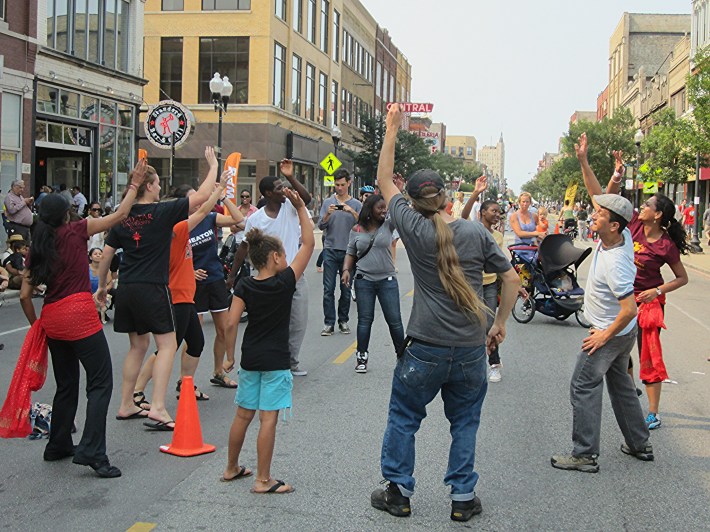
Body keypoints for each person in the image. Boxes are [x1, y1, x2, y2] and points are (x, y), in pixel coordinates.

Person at [370, 104, 520, 522]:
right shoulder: (475, 231)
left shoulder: (411, 226)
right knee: (465, 423)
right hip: (471, 347)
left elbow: (384, 179)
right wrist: (500, 324)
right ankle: (462, 498)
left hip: (425, 349)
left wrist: (392, 128)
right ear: (449, 197)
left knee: (404, 418)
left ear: (413, 201)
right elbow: (511, 280)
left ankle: (398, 493)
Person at [8, 164, 145, 477]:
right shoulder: (76, 230)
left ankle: (57, 444)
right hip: (78, 313)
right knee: (100, 383)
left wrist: (37, 326)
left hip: (52, 317)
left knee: (66, 383)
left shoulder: (38, 244)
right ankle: (92, 451)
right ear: (66, 215)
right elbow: (119, 215)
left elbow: (25, 296)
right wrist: (134, 184)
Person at [549, 133, 653, 474]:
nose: (593, 216)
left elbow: (628, 310)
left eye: (598, 215)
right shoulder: (619, 234)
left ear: (614, 224)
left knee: (583, 383)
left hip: (612, 330)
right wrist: (583, 161)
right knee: (622, 386)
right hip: (621, 335)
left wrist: (601, 337)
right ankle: (639, 443)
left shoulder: (617, 262)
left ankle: (585, 454)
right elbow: (598, 194)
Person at [95, 147, 219, 431]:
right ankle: (159, 407)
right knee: (166, 345)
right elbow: (200, 199)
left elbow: (107, 254)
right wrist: (212, 166)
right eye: (158, 184)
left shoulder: (122, 216)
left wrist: (103, 286)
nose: (160, 188)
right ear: (149, 186)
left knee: (137, 346)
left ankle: (126, 403)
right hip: (152, 287)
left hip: (126, 287)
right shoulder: (161, 212)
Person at [587, 142, 688, 430]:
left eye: (647, 205)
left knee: (649, 353)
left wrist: (657, 291)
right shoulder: (632, 225)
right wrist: (617, 175)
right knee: (623, 350)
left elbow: (682, 278)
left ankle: (653, 412)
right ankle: (629, 391)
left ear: (658, 215)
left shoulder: (667, 246)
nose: (641, 207)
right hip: (627, 297)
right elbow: (608, 201)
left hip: (649, 303)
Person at [221, 188, 314, 493]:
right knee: (267, 419)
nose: (287, 258)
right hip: (275, 360)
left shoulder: (246, 285)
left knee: (243, 414)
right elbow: (309, 242)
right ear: (275, 257)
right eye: (284, 254)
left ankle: (232, 467)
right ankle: (263, 479)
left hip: (250, 358)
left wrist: (229, 357)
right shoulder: (285, 282)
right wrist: (300, 208)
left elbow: (232, 321)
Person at [133, 171, 233, 408]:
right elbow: (201, 210)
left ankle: (185, 385)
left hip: (187, 295)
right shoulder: (176, 229)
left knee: (196, 342)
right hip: (176, 296)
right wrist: (218, 191)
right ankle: (137, 391)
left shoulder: (176, 229)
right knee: (168, 347)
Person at [227, 159, 312, 376]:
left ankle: (291, 361)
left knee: (298, 321)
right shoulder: (256, 218)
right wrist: (232, 275)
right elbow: (243, 248)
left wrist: (291, 176)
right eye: (278, 188)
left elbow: (306, 199)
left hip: (293, 274)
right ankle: (268, 359)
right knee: (269, 322)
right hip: (266, 277)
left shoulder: (290, 208)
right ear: (266, 193)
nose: (283, 190)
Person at [187, 183, 244, 388]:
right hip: (193, 284)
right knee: (194, 333)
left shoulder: (209, 218)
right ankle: (185, 381)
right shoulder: (180, 225)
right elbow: (169, 258)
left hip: (215, 278)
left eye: (199, 198)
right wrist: (189, 272)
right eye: (193, 199)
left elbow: (240, 220)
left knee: (223, 329)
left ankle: (218, 372)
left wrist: (224, 198)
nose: (198, 202)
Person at [341, 194, 405, 374]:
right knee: (364, 321)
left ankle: (402, 357)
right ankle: (362, 358)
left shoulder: (388, 225)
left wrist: (396, 191)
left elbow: (397, 211)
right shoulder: (357, 229)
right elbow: (350, 251)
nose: (384, 211)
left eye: (385, 208)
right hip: (364, 280)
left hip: (387, 280)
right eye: (380, 208)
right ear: (370, 210)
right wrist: (346, 270)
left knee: (395, 321)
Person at [461, 176, 511, 383]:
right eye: (494, 211)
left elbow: (501, 265)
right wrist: (475, 193)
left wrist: (518, 287)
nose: (497, 215)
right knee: (469, 323)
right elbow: (463, 217)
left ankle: (494, 364)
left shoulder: (498, 237)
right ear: (482, 213)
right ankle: (467, 364)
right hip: (470, 284)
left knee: (491, 324)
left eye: (499, 212)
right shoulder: (472, 228)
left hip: (490, 285)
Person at [318, 168, 362, 336]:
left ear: (349, 183)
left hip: (349, 252)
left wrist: (350, 210)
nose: (340, 188)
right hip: (330, 249)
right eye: (337, 185)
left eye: (343, 185)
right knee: (328, 289)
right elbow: (321, 226)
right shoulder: (328, 202)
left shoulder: (356, 204)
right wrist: (328, 215)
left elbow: (363, 225)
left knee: (345, 289)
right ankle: (329, 323)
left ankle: (343, 320)